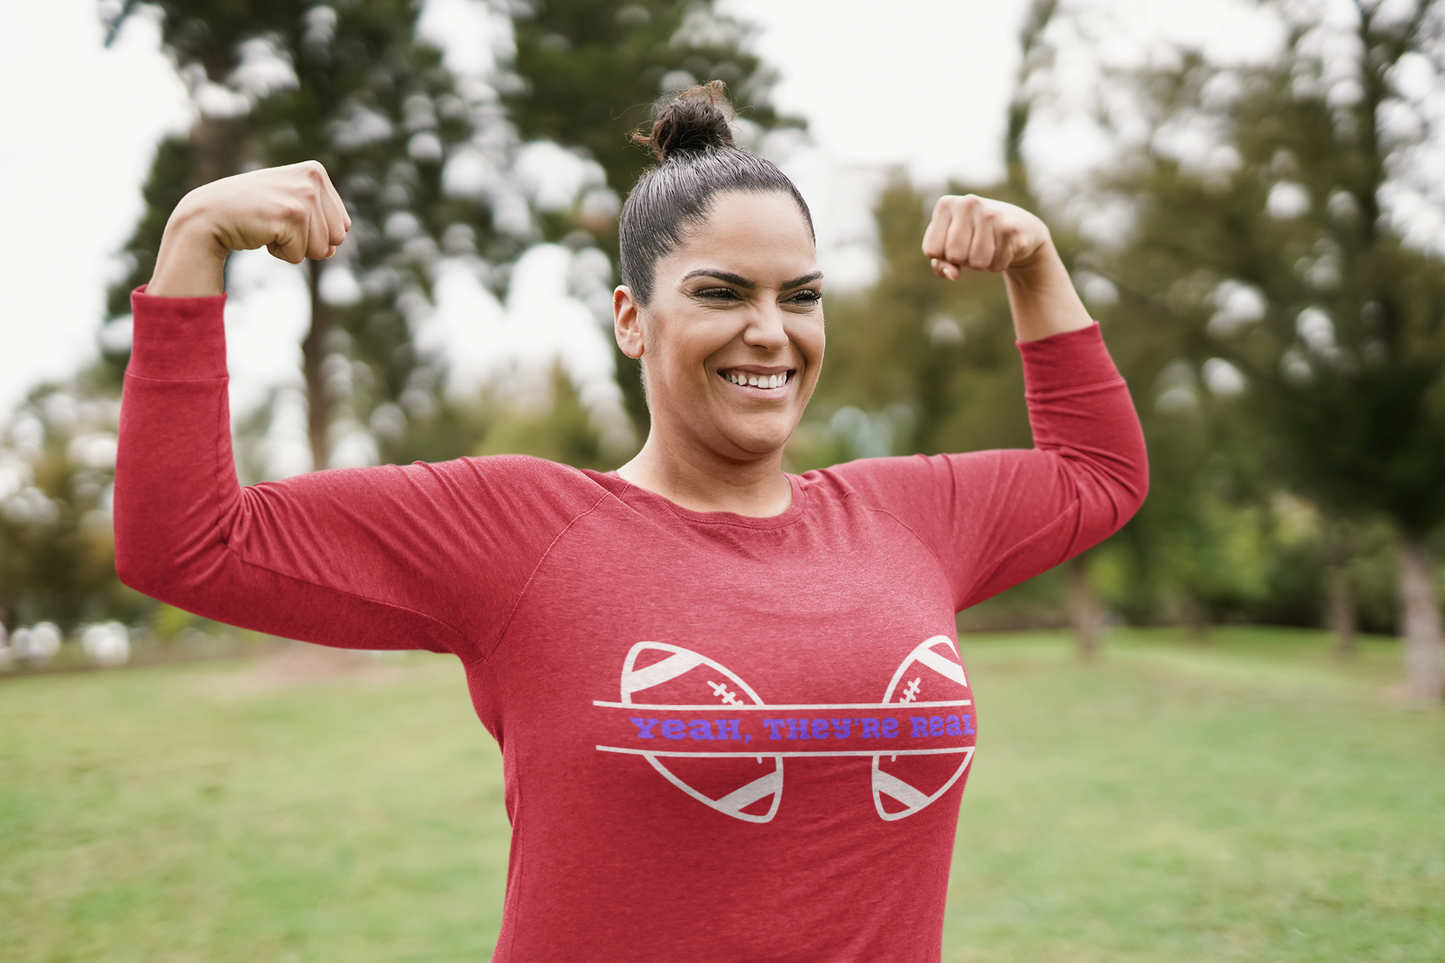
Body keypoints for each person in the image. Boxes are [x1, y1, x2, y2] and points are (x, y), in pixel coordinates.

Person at [115, 83, 1146, 962]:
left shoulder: (907, 519)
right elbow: (187, 543)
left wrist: (1033, 263)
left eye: (801, 296)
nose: (769, 331)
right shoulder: (518, 532)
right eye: (720, 293)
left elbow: (1100, 474)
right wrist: (193, 241)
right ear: (628, 320)